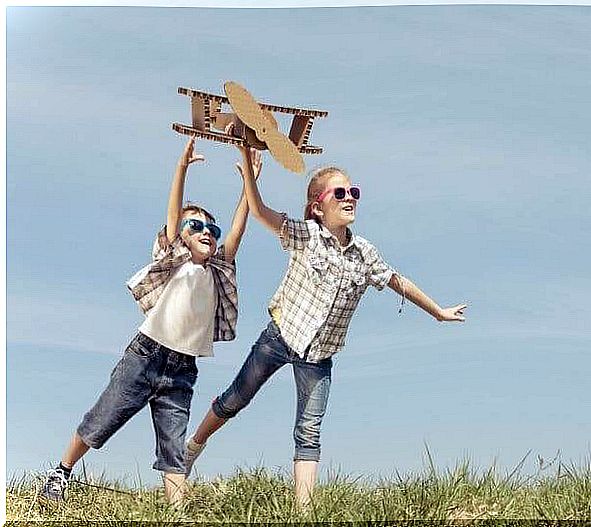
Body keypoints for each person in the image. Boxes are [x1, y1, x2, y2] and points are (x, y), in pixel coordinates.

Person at [184, 144, 467, 508]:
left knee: (309, 430)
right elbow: (259, 212)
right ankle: (193, 447)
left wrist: (438, 312)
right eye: (340, 193)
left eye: (354, 192)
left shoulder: (365, 253)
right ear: (319, 206)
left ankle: (303, 511)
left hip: (319, 356)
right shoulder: (305, 235)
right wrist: (251, 178)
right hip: (280, 336)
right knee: (235, 399)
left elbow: (399, 282)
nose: (350, 198)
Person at [39, 137, 262, 505]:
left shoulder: (217, 270)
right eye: (197, 226)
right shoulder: (175, 260)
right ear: (180, 237)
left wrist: (248, 185)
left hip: (182, 370)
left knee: (174, 447)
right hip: (145, 357)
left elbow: (237, 232)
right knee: (101, 421)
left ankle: (177, 509)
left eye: (211, 229)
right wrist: (182, 168)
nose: (206, 232)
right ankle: (61, 473)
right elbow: (173, 217)